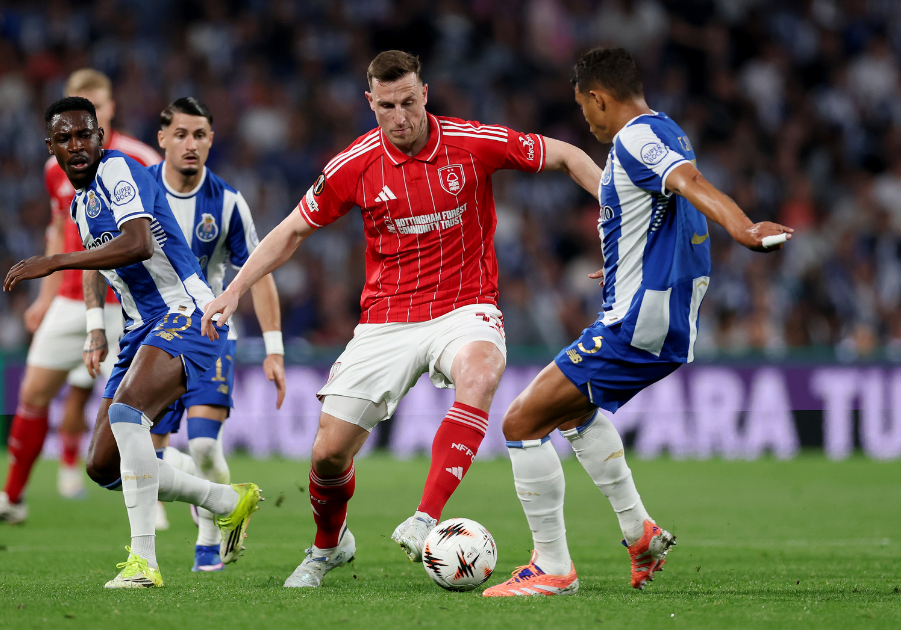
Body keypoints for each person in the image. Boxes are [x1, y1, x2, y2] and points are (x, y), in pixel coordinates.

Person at [200, 50, 602, 588]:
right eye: (387, 105)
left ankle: (426, 515)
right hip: (387, 318)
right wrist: (235, 288)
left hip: (466, 306)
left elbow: (568, 154)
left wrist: (617, 217)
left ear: (425, 94)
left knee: (480, 372)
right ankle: (329, 545)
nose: (400, 116)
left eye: (409, 102)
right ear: (371, 103)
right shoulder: (355, 163)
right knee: (327, 455)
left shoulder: (471, 142)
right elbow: (293, 230)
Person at [482, 47, 792, 597]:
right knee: (574, 415)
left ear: (599, 98)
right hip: (659, 316)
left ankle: (552, 568)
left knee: (520, 423)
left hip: (637, 321)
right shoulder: (666, 128)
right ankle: (639, 533)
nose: (587, 120)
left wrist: (743, 229)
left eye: (585, 109)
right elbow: (667, 215)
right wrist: (627, 258)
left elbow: (691, 184)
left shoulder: (634, 138)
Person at [4, 96, 260, 588]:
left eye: (84, 135)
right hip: (140, 328)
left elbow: (139, 242)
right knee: (103, 466)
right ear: (51, 147)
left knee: (126, 417)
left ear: (101, 138)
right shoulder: (81, 202)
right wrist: (95, 326)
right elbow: (102, 261)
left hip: (188, 311)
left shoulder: (118, 169)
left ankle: (144, 563)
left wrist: (55, 261)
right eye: (64, 138)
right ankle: (227, 501)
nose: (76, 146)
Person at [0, 69, 162, 531]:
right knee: (32, 393)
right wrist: (45, 296)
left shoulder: (140, 158)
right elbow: (59, 228)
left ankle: (161, 498)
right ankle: (12, 498)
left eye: (94, 106)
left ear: (106, 113)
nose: (77, 129)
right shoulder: (56, 169)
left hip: (130, 303)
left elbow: (155, 231)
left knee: (136, 409)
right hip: (74, 295)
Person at [147, 96, 286, 572]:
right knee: (146, 462)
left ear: (211, 140)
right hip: (151, 337)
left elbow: (260, 272)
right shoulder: (137, 191)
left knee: (205, 444)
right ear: (162, 137)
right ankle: (214, 497)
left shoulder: (227, 203)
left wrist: (274, 349)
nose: (191, 144)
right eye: (181, 134)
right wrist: (93, 327)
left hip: (210, 334)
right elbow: (99, 248)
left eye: (200, 135)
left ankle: (208, 531)